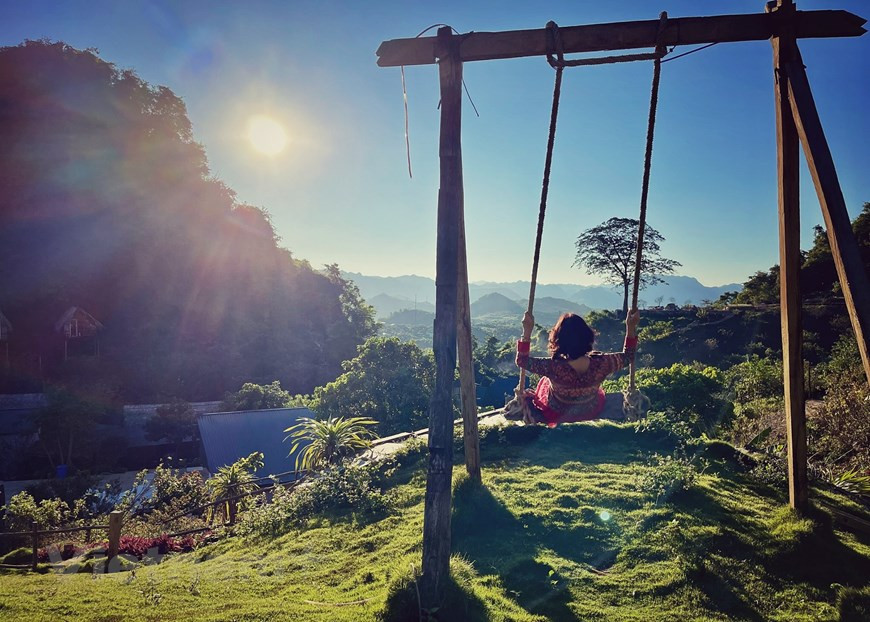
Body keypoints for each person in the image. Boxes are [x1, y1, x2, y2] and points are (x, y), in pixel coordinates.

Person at [512, 309, 640, 427]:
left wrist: (527, 330)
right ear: (587, 337)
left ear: (558, 339)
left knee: (545, 382)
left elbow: (522, 360)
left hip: (557, 411)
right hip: (590, 409)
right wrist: (630, 327)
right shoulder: (602, 363)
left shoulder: (552, 366)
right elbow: (628, 356)